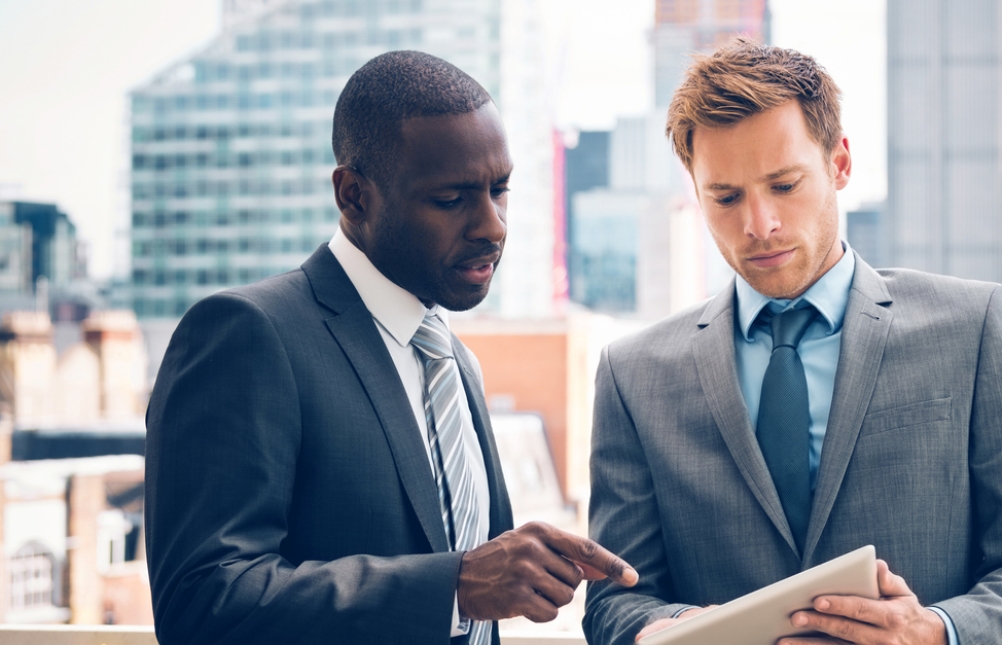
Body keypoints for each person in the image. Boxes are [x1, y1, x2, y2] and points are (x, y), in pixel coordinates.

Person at [583, 39, 1002, 645]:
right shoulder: (633, 375)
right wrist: (689, 631)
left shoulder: (974, 327)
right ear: (695, 190)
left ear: (839, 164)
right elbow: (614, 599)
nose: (759, 225)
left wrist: (935, 631)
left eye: (784, 185)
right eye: (726, 196)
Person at [145, 51, 636, 645]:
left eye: (499, 189)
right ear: (353, 195)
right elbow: (201, 604)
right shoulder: (247, 335)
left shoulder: (457, 363)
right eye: (452, 199)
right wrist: (454, 586)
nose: (493, 225)